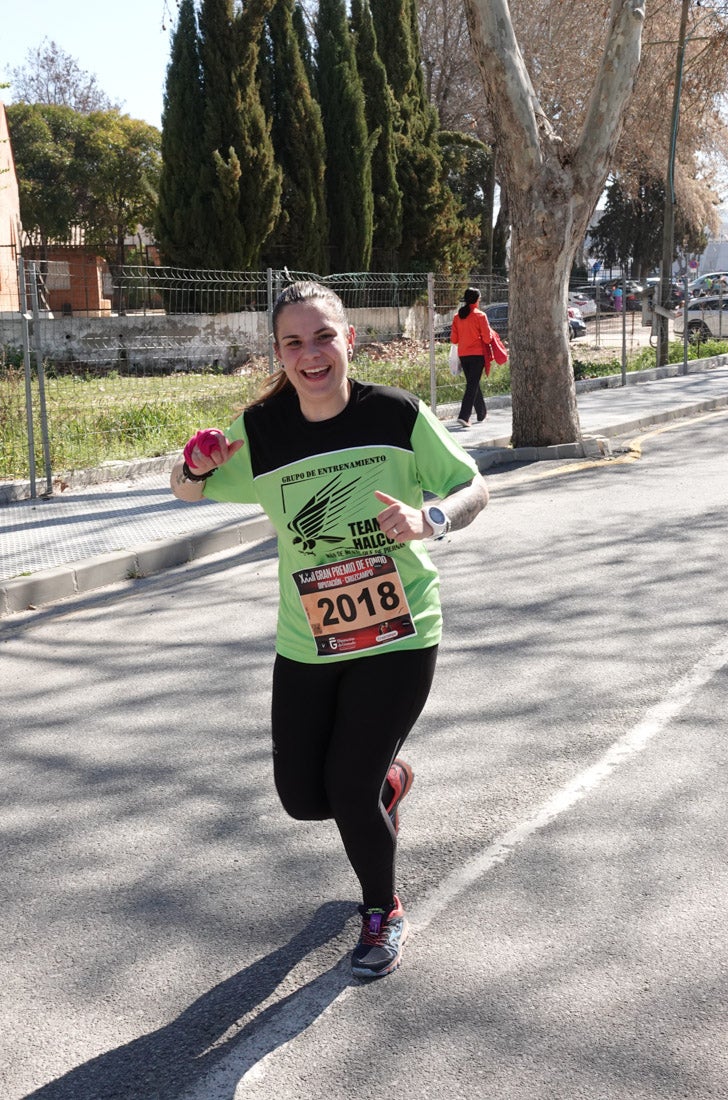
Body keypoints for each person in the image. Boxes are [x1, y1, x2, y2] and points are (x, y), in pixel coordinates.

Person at [171, 280, 489, 980]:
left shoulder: (396, 414)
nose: (310, 354)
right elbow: (186, 488)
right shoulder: (264, 430)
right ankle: (390, 783)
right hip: (306, 638)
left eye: (323, 337)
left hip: (398, 632)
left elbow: (473, 485)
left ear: (349, 340)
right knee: (303, 798)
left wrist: (428, 520)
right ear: (278, 353)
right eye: (293, 342)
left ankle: (382, 911)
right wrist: (192, 465)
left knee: (346, 786)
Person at [450, 287, 492, 428]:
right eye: (479, 299)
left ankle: (482, 413)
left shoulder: (457, 317)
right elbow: (487, 339)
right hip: (477, 355)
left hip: (463, 355)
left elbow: (454, 339)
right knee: (472, 385)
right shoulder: (480, 316)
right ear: (476, 300)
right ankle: (464, 416)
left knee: (473, 383)